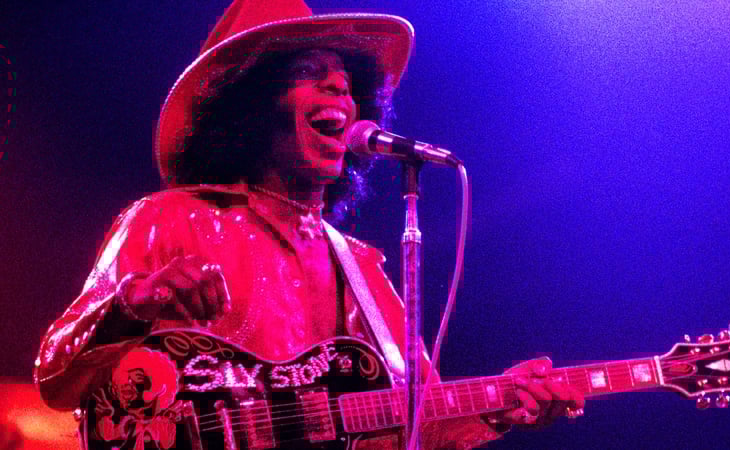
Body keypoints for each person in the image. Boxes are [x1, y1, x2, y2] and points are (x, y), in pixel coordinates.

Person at [33, 0, 584, 448]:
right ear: (249, 105)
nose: (340, 90)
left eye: (347, 82)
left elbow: (418, 425)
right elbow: (56, 377)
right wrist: (130, 306)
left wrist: (503, 405)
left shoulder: (362, 267)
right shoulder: (168, 218)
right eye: (307, 73)